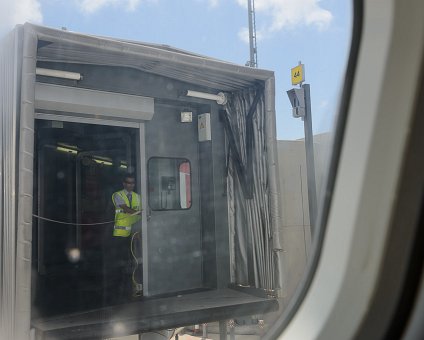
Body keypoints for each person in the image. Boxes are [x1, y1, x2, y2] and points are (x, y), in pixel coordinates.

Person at [109, 174, 142, 301]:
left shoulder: (138, 197)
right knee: (121, 261)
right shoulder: (118, 195)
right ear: (124, 184)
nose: (130, 185)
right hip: (120, 234)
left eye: (132, 183)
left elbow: (141, 215)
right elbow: (125, 208)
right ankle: (119, 286)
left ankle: (132, 284)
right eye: (128, 182)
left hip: (134, 234)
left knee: (134, 260)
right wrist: (139, 212)